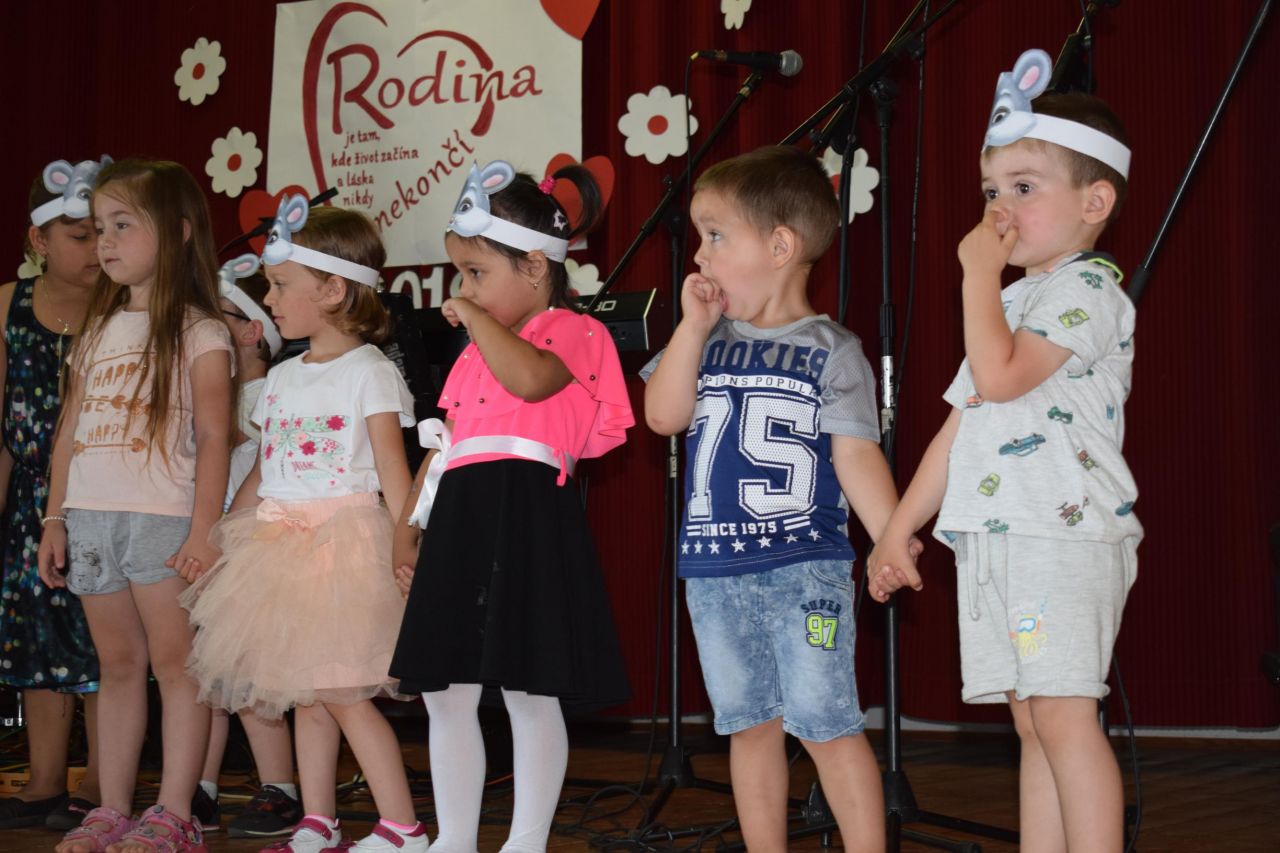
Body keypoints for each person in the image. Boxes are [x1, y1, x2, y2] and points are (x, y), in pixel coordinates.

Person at [868, 49, 1142, 852]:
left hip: (1063, 537)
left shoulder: (1088, 288)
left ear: (1095, 200)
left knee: (1063, 713)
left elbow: (1002, 374)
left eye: (1024, 187)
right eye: (991, 190)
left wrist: (973, 277)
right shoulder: (1012, 298)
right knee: (1031, 718)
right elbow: (963, 423)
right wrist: (897, 528)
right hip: (1003, 541)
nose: (999, 209)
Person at [642, 144, 903, 853]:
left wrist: (890, 535)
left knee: (828, 724)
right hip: (714, 574)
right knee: (748, 724)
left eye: (716, 236)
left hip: (805, 572)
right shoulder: (704, 340)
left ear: (780, 247)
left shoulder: (833, 348)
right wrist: (691, 328)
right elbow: (662, 416)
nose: (700, 255)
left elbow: (856, 453)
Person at [389, 160, 633, 853]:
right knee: (445, 689)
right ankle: (454, 837)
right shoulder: (475, 353)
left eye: (475, 273)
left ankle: (526, 839)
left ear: (534, 266)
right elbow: (448, 442)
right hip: (461, 514)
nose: (462, 290)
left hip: (524, 515)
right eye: (459, 275)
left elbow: (529, 381)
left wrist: (472, 319)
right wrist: (407, 528)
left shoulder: (572, 330)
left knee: (530, 686)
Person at [181, 200, 425, 853]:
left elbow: (394, 472)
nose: (269, 298)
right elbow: (266, 470)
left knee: (343, 691)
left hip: (342, 547)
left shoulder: (370, 371)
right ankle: (318, 820)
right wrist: (221, 536)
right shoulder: (283, 378)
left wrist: (407, 545)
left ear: (334, 289)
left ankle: (402, 826)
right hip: (277, 546)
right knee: (306, 695)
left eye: (281, 284)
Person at [37, 158, 235, 852]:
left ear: (177, 233)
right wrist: (55, 517)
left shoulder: (200, 330)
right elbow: (68, 431)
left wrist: (204, 530)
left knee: (177, 666)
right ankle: (112, 808)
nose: (106, 241)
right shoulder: (95, 330)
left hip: (163, 520)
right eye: (99, 228)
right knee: (117, 665)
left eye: (123, 225)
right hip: (91, 518)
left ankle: (176, 810)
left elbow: (214, 437)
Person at [0, 159, 106, 832]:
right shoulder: (8, 306)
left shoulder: (125, 307)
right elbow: (3, 435)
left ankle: (99, 782)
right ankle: (43, 781)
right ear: (39, 240)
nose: (97, 248)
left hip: (106, 492)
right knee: (36, 636)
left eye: (104, 233)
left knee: (105, 640)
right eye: (79, 236)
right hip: (32, 499)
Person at [188, 259, 302, 838]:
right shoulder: (217, 396)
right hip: (216, 550)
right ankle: (199, 787)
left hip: (254, 549)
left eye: (218, 318)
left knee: (252, 678)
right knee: (207, 676)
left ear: (252, 330)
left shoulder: (264, 396)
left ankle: (280, 786)